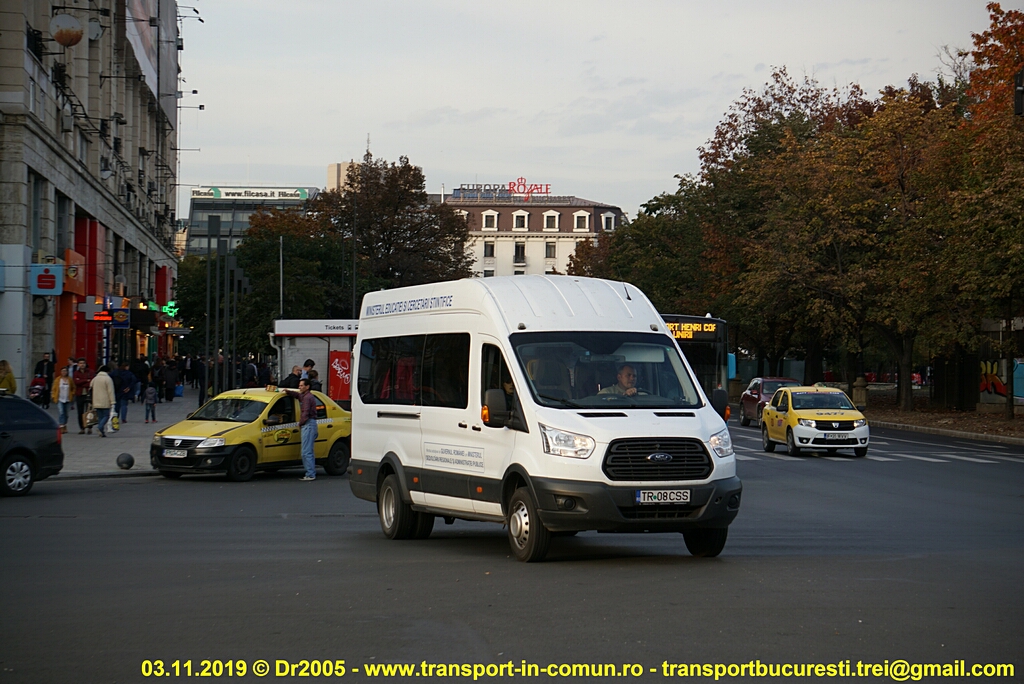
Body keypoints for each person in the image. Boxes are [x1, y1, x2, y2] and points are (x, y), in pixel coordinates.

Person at [282, 379, 319, 481]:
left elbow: (305, 413)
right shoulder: (306, 396)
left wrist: (300, 423)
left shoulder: (307, 398)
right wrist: (288, 391)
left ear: (307, 386)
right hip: (310, 424)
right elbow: (298, 395)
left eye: (302, 385)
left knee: (306, 452)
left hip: (308, 425)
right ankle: (311, 473)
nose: (299, 387)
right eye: (299, 385)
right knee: (308, 451)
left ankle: (310, 474)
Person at [89, 364, 116, 437]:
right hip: (105, 400)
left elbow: (90, 387)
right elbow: (110, 391)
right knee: (106, 415)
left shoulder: (95, 378)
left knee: (100, 417)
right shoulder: (108, 379)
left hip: (96, 400)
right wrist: (113, 401)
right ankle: (100, 427)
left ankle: (102, 432)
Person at [73, 358, 95, 434]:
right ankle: (82, 428)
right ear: (78, 364)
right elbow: (76, 382)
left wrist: (81, 381)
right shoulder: (76, 373)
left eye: (83, 363)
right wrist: (86, 380)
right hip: (79, 394)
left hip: (88, 394)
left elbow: (91, 382)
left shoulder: (90, 372)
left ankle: (89, 427)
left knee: (89, 411)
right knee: (80, 412)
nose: (82, 365)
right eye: (80, 363)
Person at [51, 367, 74, 432]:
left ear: (67, 372)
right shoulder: (57, 380)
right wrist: (53, 396)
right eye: (62, 371)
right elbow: (54, 389)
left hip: (68, 399)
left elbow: (73, 388)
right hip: (60, 399)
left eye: (65, 371)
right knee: (61, 412)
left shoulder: (70, 380)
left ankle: (64, 425)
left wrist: (72, 394)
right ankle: (61, 426)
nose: (64, 372)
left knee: (66, 414)